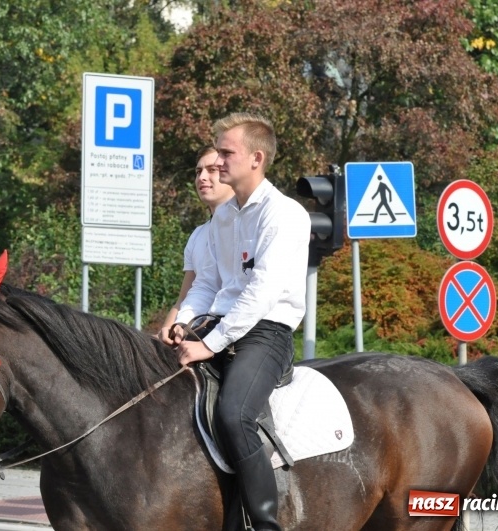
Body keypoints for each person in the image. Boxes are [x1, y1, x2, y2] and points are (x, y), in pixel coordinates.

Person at [164, 113, 310, 531]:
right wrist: (186, 323)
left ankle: (264, 524)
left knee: (234, 415)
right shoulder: (222, 219)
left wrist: (208, 345)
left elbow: (261, 291)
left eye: (226, 153)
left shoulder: (285, 214)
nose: (219, 161)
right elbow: (209, 282)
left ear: (256, 159)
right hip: (217, 327)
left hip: (266, 333)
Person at [157, 145, 235, 343]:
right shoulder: (198, 236)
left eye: (212, 170)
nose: (202, 177)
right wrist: (167, 331)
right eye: (198, 171)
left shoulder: (249, 226)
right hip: (195, 332)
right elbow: (185, 298)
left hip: (236, 337)